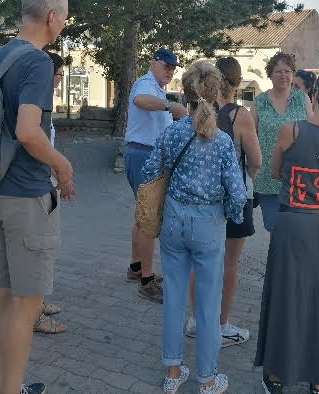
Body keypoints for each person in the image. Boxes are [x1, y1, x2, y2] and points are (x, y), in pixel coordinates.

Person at [0, 0, 75, 394]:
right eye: (65, 16)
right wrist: (63, 166)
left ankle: (2, 386)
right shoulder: (37, 62)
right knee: (26, 305)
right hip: (25, 194)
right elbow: (28, 131)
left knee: (2, 295)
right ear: (52, 16)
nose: (64, 24)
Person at [141, 60, 247, 394]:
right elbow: (238, 193)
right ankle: (207, 377)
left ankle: (173, 373)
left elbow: (148, 171)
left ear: (185, 93)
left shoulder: (171, 132)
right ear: (217, 93)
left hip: (173, 219)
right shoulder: (221, 141)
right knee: (207, 303)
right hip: (207, 223)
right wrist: (232, 215)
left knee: (173, 296)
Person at [254, 67, 319, 394]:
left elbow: (275, 171)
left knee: (286, 297)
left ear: (314, 94)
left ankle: (277, 375)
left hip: (292, 224)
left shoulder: (291, 130)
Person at [186, 57, 262, 347]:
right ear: (236, 82)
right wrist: (247, 177)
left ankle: (195, 320)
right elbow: (256, 160)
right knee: (229, 263)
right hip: (234, 198)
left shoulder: (196, 112)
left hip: (200, 198)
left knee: (200, 261)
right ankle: (220, 325)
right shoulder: (237, 115)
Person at [124, 49, 187, 303]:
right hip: (143, 154)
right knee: (150, 219)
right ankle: (147, 280)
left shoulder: (157, 88)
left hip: (144, 154)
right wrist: (171, 105)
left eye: (173, 68)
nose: (170, 71)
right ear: (153, 63)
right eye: (166, 66)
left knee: (143, 217)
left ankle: (136, 267)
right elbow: (140, 100)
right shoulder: (146, 83)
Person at [251, 52, 313, 232]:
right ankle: (280, 260)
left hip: (298, 177)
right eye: (278, 71)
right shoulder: (260, 102)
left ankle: (291, 260)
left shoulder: (302, 99)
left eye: (287, 71)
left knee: (296, 228)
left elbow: (312, 132)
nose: (283, 75)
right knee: (275, 227)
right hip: (267, 177)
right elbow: (249, 134)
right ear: (270, 74)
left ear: (293, 74)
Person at [32, 52, 67, 335]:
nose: (60, 80)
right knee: (39, 251)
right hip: (38, 187)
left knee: (45, 250)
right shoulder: (36, 107)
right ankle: (33, 315)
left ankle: (38, 303)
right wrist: (58, 172)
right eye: (58, 75)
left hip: (45, 182)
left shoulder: (43, 104)